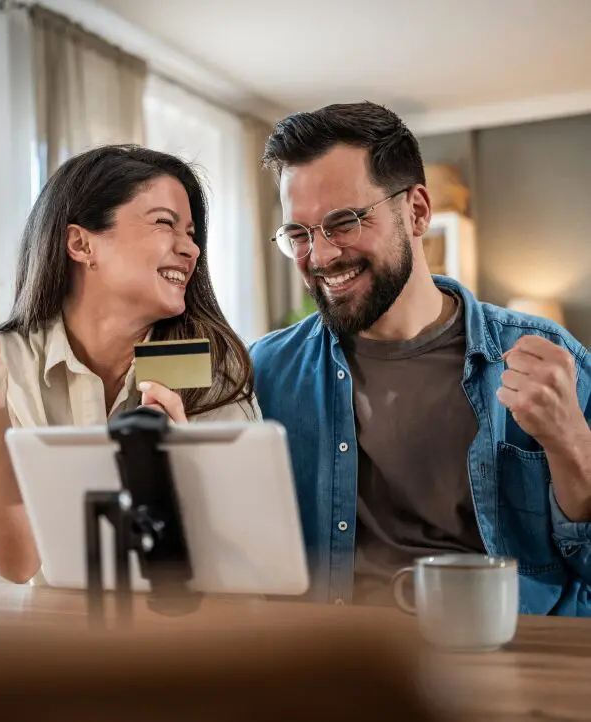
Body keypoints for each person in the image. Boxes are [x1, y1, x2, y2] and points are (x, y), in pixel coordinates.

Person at [250, 102, 591, 615]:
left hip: (507, 652)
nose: (320, 257)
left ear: (417, 212)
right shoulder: (266, 372)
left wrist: (571, 445)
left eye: (344, 221)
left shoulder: (546, 358)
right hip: (338, 663)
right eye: (298, 234)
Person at [0, 145, 260, 584]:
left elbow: (245, 557)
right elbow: (17, 562)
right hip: (59, 639)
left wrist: (177, 473)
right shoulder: (7, 363)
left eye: (192, 233)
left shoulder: (211, 370)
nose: (190, 249)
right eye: (165, 223)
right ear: (82, 244)